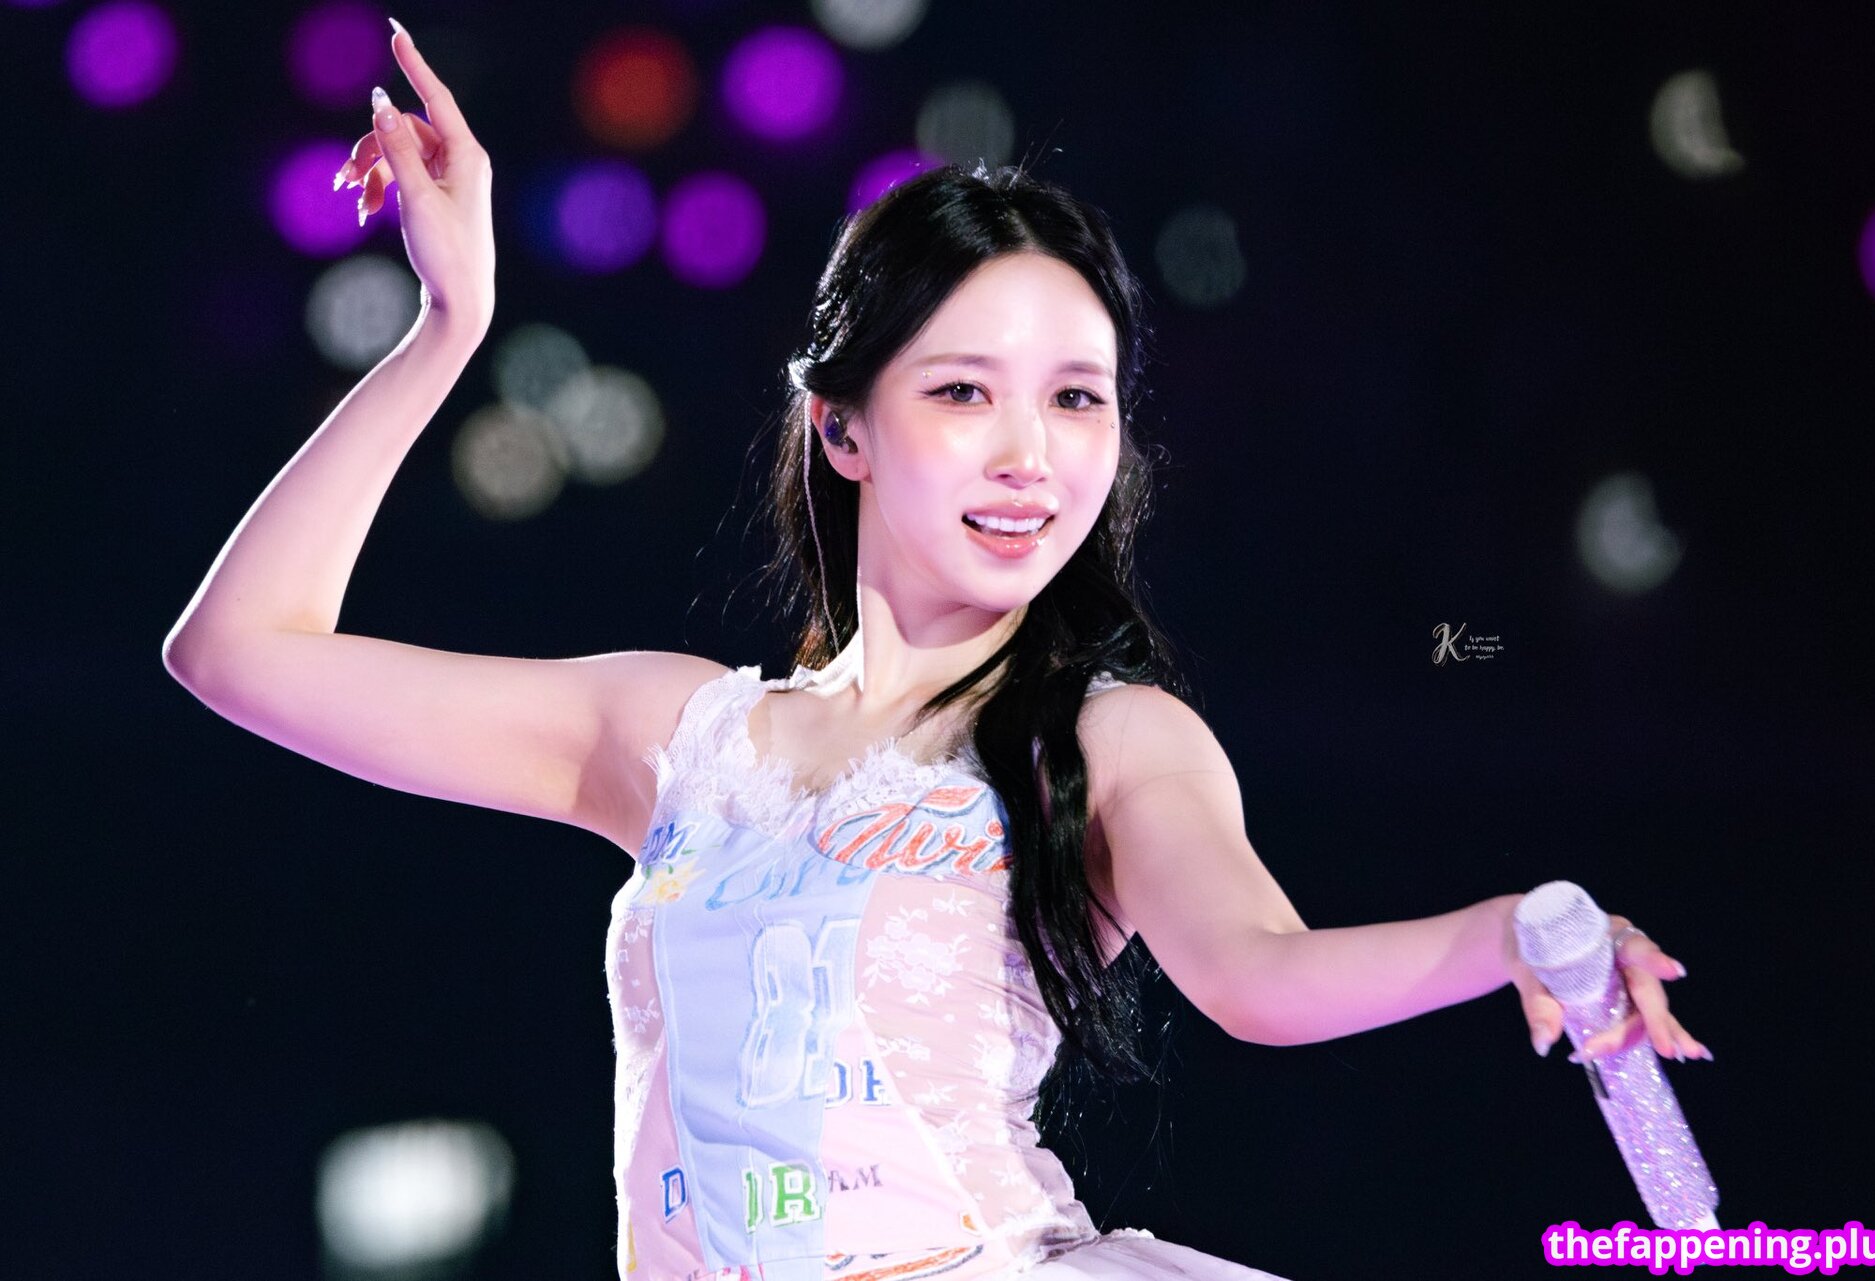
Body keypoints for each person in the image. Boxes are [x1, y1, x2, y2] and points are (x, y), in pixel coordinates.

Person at [163, 27, 1709, 1281]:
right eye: (966, 391)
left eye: (1078, 397)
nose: (1031, 453)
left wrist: (1513, 929)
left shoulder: (1113, 739)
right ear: (841, 424)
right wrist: (449, 326)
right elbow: (239, 652)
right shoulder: (672, 732)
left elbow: (1259, 973)